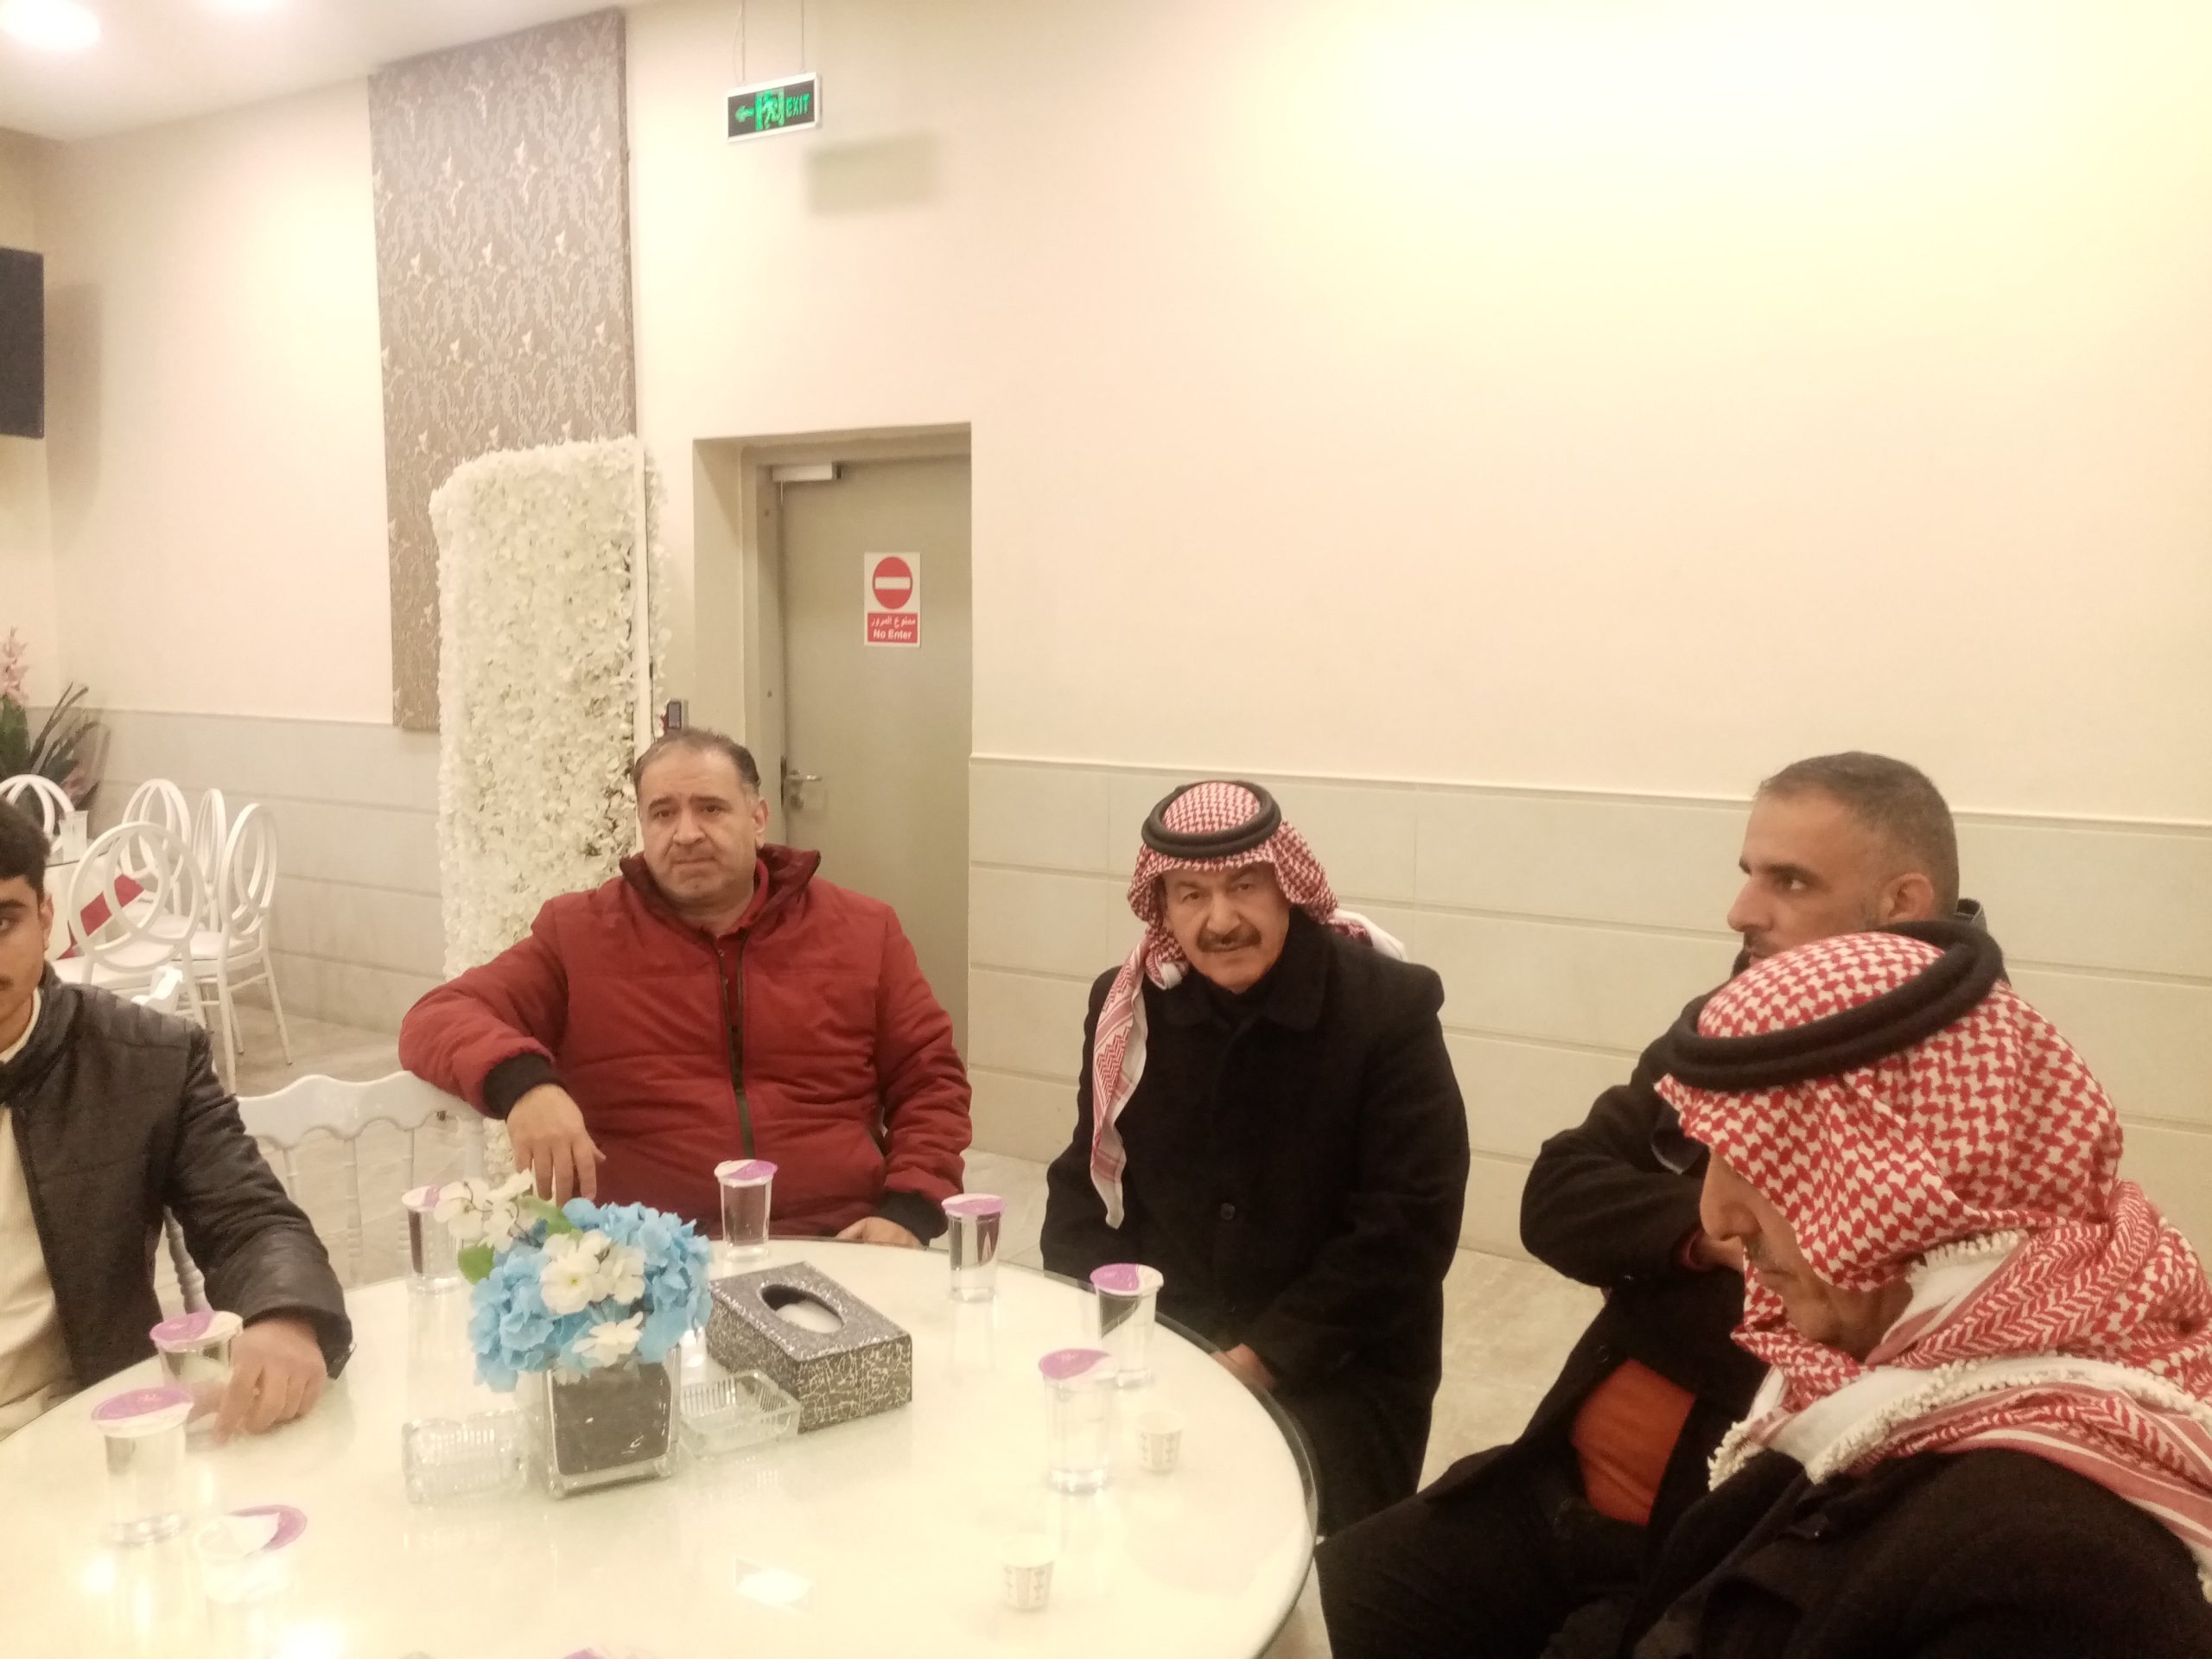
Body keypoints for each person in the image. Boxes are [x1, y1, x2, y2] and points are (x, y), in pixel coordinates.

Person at [1319, 752, 1982, 1656]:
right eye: (1748, 873)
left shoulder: (1976, 1095)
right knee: (1316, 1609)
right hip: (1549, 1482)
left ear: (1903, 903)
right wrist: (1707, 1245)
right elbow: (1555, 1196)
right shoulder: (1731, 1024)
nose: (1740, 910)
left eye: (1789, 881)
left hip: (1704, 1558)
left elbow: (1845, 1342)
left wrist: (1653, 1261)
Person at [1588, 923, 2212, 1657]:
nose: (1717, 1216)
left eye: (1761, 1160)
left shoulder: (2057, 1583)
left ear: (1916, 1174)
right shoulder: (1871, 1361)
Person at [1040, 779, 1469, 1532]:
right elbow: (1087, 1180)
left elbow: (1408, 1228)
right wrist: (1112, 1335)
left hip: (1339, 1364)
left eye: (1244, 887)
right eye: (1191, 895)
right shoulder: (1128, 1005)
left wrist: (1256, 1360)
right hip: (1165, 1337)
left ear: (1287, 887)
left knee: (1279, 1551)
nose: (1221, 921)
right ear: (1161, 905)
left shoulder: (1386, 1007)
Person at [400, 728, 970, 1245]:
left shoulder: (862, 930)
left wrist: (909, 1211)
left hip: (835, 1238)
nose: (687, 833)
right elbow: (437, 1016)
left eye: (711, 808)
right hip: (639, 1256)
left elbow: (930, 1081)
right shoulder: (579, 934)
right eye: (663, 813)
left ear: (758, 818)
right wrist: (525, 1085)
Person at [0, 802, 348, 1441]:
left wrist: (284, 1316)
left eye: (2, 922)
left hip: (82, 1431)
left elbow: (250, 1221)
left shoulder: (145, 1060)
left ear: (46, 918)